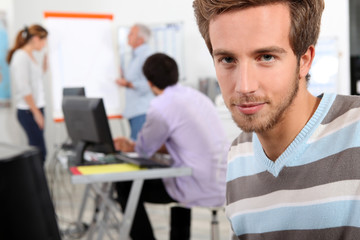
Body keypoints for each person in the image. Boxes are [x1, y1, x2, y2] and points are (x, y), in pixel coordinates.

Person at [193, 0, 360, 239]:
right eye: (228, 60)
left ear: (304, 60)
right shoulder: (238, 154)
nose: (244, 86)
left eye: (266, 57)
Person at [114, 53, 228, 240]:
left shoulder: (161, 106)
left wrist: (130, 145)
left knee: (125, 186)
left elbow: (144, 150)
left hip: (196, 183)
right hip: (222, 180)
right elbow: (184, 144)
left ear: (149, 82)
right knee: (176, 180)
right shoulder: (195, 96)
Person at [7, 24, 48, 164]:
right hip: (29, 111)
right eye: (44, 41)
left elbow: (34, 82)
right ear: (36, 38)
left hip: (36, 108)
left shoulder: (30, 56)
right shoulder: (20, 57)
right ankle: (36, 185)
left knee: (39, 150)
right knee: (39, 152)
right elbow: (24, 88)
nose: (44, 44)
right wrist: (36, 112)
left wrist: (43, 68)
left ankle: (37, 184)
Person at [116, 23, 154, 140]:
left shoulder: (146, 56)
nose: (128, 36)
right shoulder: (134, 56)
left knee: (139, 150)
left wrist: (127, 83)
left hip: (142, 111)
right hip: (134, 111)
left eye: (131, 33)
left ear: (140, 39)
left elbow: (149, 84)